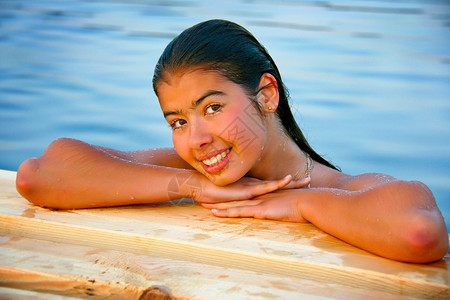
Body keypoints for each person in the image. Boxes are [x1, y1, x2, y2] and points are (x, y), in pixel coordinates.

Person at [16, 19, 448, 263]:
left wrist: (298, 203)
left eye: (212, 108)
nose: (196, 140)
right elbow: (40, 174)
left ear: (266, 95)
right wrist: (191, 186)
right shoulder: (190, 172)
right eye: (178, 121)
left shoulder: (347, 190)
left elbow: (419, 232)